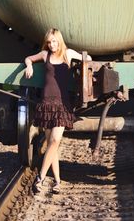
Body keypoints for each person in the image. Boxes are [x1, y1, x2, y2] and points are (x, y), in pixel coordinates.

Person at [24, 28, 91, 194]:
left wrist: (84, 65)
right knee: (51, 146)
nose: (52, 45)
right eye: (49, 42)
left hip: (62, 105)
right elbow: (28, 58)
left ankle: (40, 178)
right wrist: (29, 66)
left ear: (59, 41)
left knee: (54, 142)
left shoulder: (67, 54)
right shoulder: (45, 55)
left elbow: (88, 58)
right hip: (47, 105)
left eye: (54, 41)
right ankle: (58, 182)